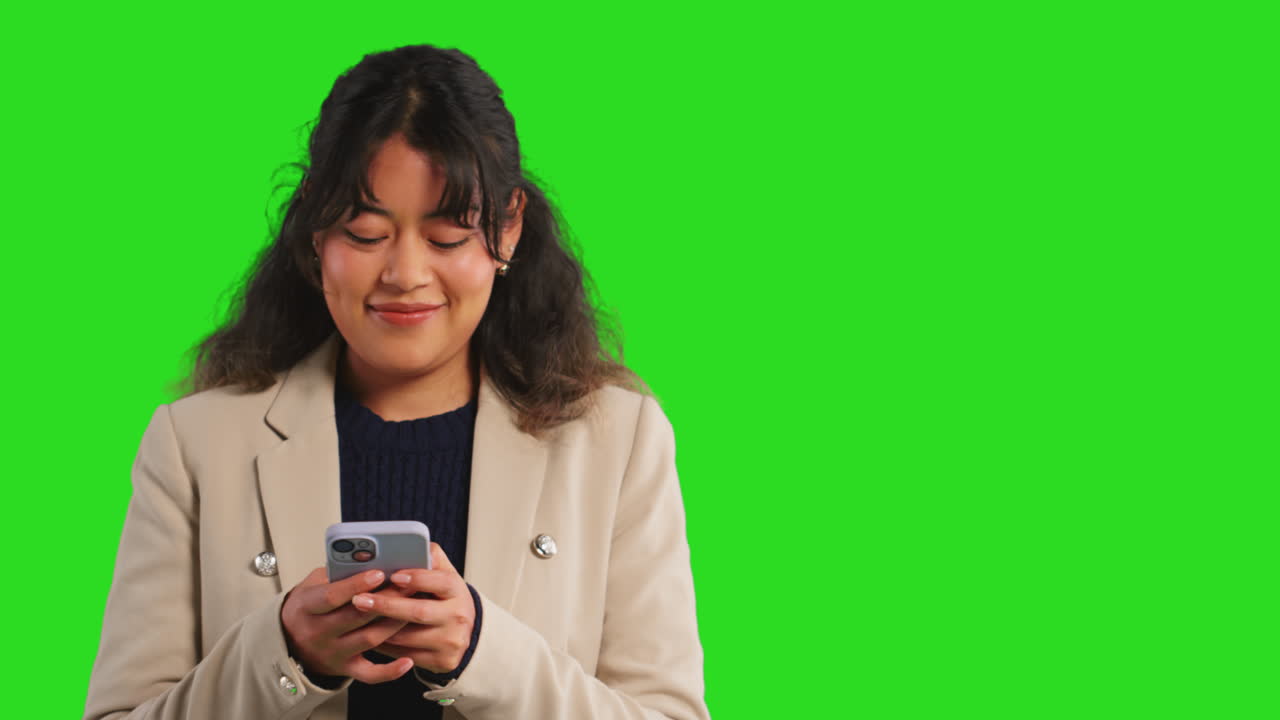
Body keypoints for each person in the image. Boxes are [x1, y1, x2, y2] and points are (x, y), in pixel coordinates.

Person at [83, 44, 709, 720]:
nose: (406, 274)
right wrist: (286, 655)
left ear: (508, 229)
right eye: (364, 231)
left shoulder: (617, 441)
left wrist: (482, 651)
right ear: (314, 234)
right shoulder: (195, 444)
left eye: (446, 236)